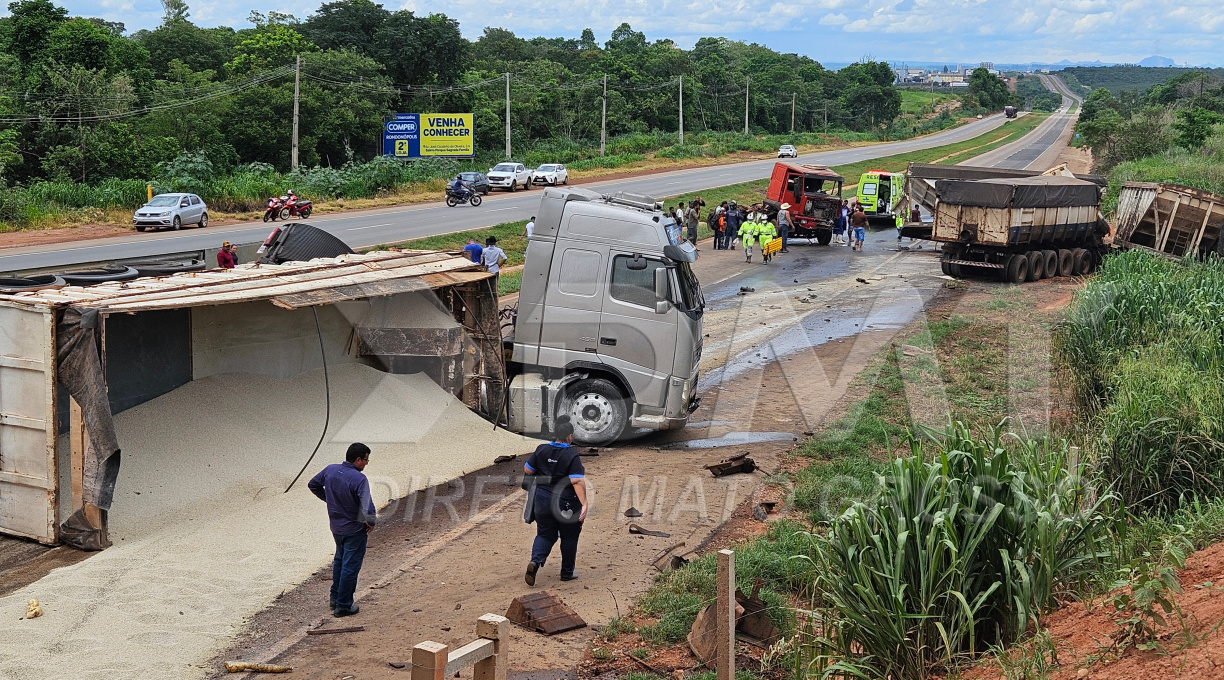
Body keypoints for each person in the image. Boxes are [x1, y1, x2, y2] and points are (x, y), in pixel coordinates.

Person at [308, 443, 376, 618]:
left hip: (336, 527)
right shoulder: (359, 479)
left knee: (339, 560)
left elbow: (313, 485)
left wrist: (329, 500)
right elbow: (366, 505)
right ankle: (344, 605)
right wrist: (371, 521)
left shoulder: (330, 470)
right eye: (366, 460)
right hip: (354, 529)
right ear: (358, 459)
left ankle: (335, 597)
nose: (367, 464)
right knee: (350, 566)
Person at [523, 415, 587, 585]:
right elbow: (577, 481)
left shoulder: (541, 449)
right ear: (570, 436)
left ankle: (535, 561)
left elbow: (527, 470)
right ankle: (566, 573)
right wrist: (584, 504)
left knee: (544, 534)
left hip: (542, 500)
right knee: (569, 536)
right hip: (565, 503)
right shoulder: (571, 455)